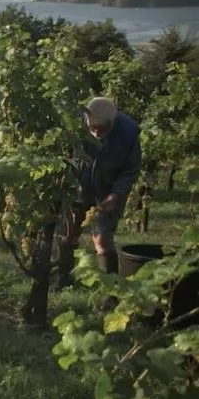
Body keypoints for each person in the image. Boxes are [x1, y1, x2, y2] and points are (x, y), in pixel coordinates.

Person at [57, 96, 142, 293]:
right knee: (68, 234)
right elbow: (63, 156)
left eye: (101, 128)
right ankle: (63, 282)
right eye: (92, 127)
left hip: (108, 193)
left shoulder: (128, 134)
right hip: (78, 188)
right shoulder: (74, 126)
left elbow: (130, 170)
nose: (95, 131)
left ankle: (109, 293)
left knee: (102, 238)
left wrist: (117, 194)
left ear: (112, 122)